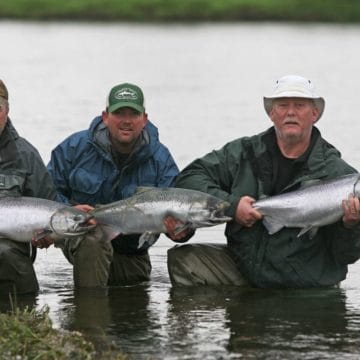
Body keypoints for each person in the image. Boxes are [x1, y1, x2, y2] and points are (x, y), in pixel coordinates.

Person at [168, 75, 360, 288]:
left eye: (299, 105)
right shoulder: (244, 153)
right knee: (185, 260)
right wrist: (232, 206)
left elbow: (345, 257)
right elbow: (188, 178)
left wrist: (350, 225)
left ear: (314, 114)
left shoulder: (339, 173)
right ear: (271, 113)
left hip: (304, 284)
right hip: (245, 269)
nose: (290, 112)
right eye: (282, 105)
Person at [46, 82, 180, 287]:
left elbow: (181, 212)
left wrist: (181, 231)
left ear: (144, 119)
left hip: (131, 252)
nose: (126, 121)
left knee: (131, 292)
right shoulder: (74, 148)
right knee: (93, 241)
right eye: (119, 113)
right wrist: (68, 211)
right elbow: (47, 191)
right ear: (105, 116)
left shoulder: (161, 160)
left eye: (133, 114)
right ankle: (89, 316)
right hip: (83, 239)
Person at [0, 79, 58, 294]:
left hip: (11, 251)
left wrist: (47, 237)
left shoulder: (25, 155)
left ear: (7, 110)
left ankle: (21, 311)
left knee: (3, 251)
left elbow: (50, 208)